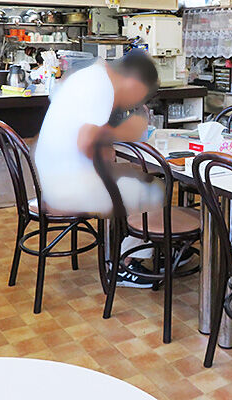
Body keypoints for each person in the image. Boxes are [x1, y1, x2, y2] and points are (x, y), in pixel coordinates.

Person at [34, 49, 163, 287]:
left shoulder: (87, 75)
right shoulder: (101, 86)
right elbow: (86, 142)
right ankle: (125, 264)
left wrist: (106, 145)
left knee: (132, 177)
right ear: (133, 83)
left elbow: (88, 137)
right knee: (154, 191)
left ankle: (150, 248)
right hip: (68, 188)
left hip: (52, 177)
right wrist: (126, 131)